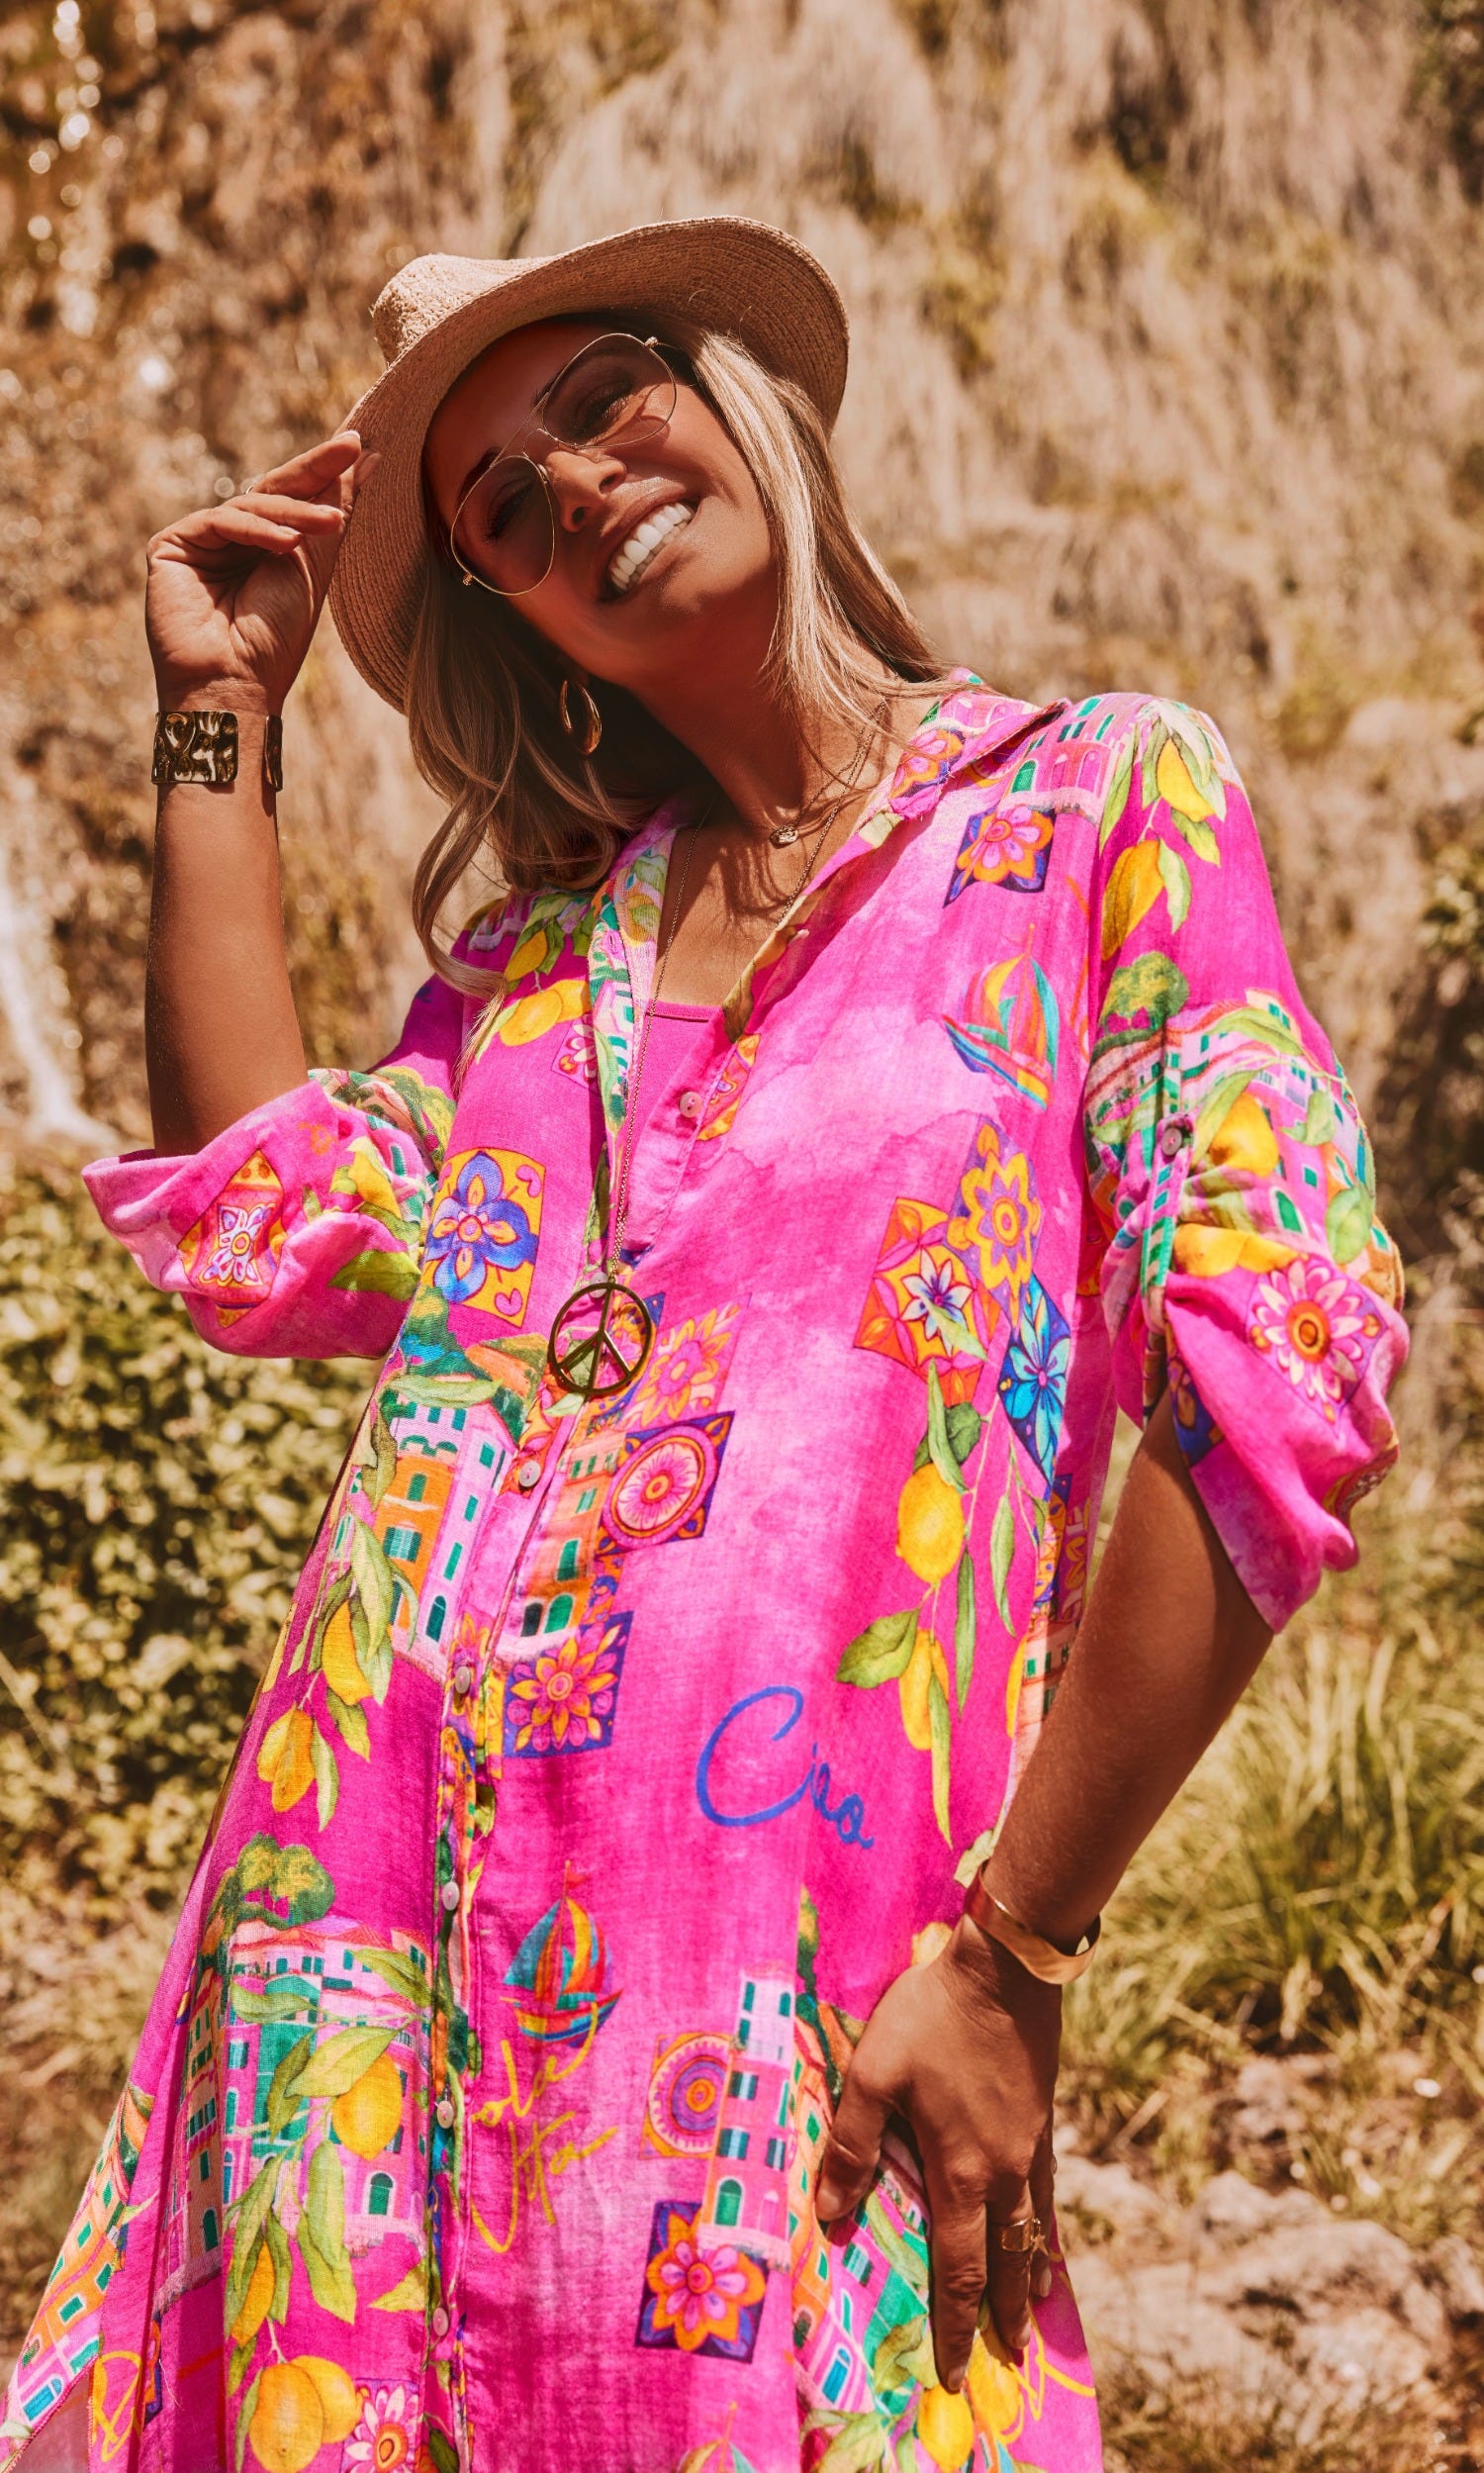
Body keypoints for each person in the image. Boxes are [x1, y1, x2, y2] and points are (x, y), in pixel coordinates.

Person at [4, 217, 1406, 2473]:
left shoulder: (1091, 806)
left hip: (776, 2020)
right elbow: (258, 1217)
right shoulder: (538, 968)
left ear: (735, 397)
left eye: (602, 400)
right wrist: (219, 723)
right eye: (500, 503)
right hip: (355, 2003)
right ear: (517, 614)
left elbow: (1281, 1361)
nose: (577, 481)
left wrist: (1019, 1951)